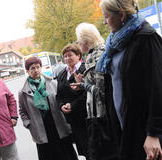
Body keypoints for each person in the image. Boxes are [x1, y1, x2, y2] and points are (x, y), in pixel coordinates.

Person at [95, 0, 162, 160]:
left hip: (145, 132)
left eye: (106, 17)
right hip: (126, 127)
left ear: (122, 15)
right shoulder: (116, 42)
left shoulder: (146, 38)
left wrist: (153, 133)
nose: (104, 22)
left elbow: (157, 87)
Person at [71, 22, 119, 160]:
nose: (78, 44)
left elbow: (101, 91)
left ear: (86, 40)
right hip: (100, 114)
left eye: (79, 41)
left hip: (102, 116)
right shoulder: (96, 53)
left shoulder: (97, 56)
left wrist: (83, 85)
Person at [18, 56, 78, 160]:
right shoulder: (23, 92)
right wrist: (29, 124)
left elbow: (61, 100)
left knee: (67, 155)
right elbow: (22, 111)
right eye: (32, 68)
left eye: (38, 67)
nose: (36, 70)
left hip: (58, 125)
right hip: (41, 129)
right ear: (27, 71)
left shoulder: (52, 83)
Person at [56, 43, 88, 159]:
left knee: (93, 150)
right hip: (73, 120)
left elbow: (88, 93)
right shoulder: (62, 74)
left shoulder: (85, 69)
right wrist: (61, 106)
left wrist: (73, 105)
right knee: (84, 150)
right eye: (65, 56)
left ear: (78, 55)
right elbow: (58, 95)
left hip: (87, 118)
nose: (67, 58)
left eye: (70, 55)